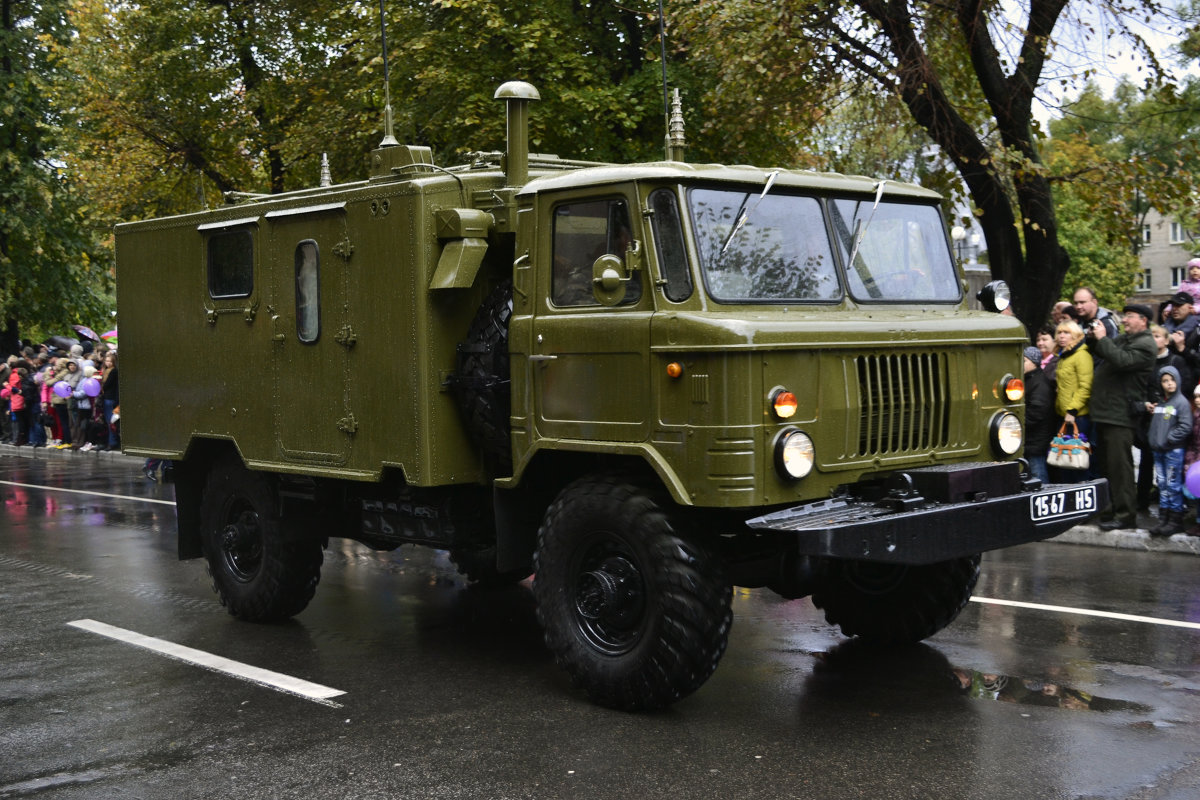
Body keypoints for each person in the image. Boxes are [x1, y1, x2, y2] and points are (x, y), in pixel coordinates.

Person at [1088, 304, 1158, 530]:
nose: (1125, 320)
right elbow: (1102, 350)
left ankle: (1126, 515)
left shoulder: (1145, 344)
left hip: (1120, 414)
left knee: (1121, 468)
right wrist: (1093, 338)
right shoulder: (1128, 339)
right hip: (1107, 412)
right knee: (1107, 467)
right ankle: (1110, 510)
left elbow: (1121, 360)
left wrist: (1103, 339)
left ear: (1143, 320)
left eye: (1129, 316)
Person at [1146, 366, 1193, 536]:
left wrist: (1170, 438)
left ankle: (1175, 521)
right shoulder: (1162, 403)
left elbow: (1186, 425)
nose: (1169, 384)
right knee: (1163, 485)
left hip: (1173, 451)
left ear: (1178, 381)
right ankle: (1163, 519)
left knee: (1173, 486)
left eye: (1172, 380)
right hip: (1159, 451)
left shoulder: (1181, 402)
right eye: (1165, 381)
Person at [1052, 319, 1093, 483]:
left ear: (1076, 335)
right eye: (1059, 333)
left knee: (1077, 461)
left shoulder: (1081, 355)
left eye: (1066, 333)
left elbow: (1086, 386)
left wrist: (1072, 409)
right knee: (1064, 461)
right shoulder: (1064, 356)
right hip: (1062, 415)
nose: (1062, 336)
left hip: (1076, 417)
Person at [1023, 346, 1055, 484]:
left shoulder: (1040, 383)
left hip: (1036, 439)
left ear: (1034, 362)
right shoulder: (1030, 379)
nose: (1020, 364)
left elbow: (1036, 412)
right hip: (1032, 438)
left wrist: (1020, 424)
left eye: (1024, 361)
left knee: (1038, 474)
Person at [1183, 385, 1200, 535]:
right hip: (1196, 462)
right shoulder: (1195, 415)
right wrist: (1190, 461)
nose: (1197, 400)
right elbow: (1192, 442)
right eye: (1196, 397)